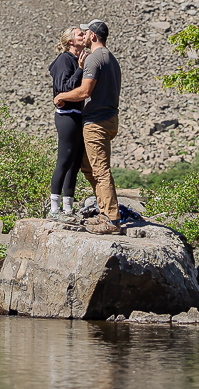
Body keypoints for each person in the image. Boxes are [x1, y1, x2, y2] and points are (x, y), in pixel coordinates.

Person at [53, 19, 123, 236]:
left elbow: (84, 92)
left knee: (100, 171)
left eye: (85, 33)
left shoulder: (93, 59)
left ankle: (112, 219)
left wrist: (61, 96)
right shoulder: (111, 59)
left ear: (92, 36)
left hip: (96, 123)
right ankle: (105, 213)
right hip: (109, 119)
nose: (83, 36)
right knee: (87, 166)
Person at [46, 26, 86, 221]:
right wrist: (79, 70)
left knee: (74, 163)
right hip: (66, 115)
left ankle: (68, 208)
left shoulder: (79, 59)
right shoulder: (65, 60)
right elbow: (64, 88)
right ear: (71, 41)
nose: (84, 36)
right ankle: (54, 209)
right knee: (64, 160)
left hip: (78, 114)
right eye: (80, 34)